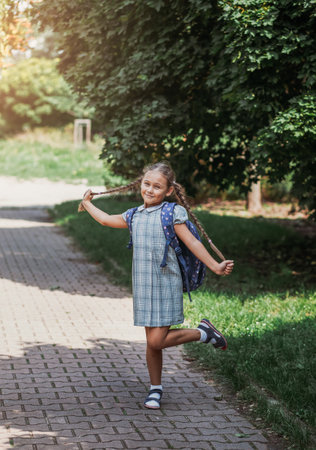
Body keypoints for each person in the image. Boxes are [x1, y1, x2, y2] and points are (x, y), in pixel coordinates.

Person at [81, 162, 234, 410]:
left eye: (157, 186)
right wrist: (87, 204)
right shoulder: (135, 215)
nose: (150, 190)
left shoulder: (171, 214)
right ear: (141, 184)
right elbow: (107, 220)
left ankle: (203, 333)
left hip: (166, 285)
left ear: (169, 190)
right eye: (147, 184)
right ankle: (155, 389)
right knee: (152, 341)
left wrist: (216, 266)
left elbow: (194, 244)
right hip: (143, 286)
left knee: (156, 341)